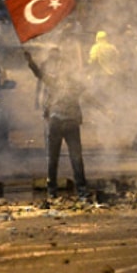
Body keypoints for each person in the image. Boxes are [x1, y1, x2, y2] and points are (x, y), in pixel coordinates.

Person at [24, 47, 90, 198]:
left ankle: (52, 191)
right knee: (75, 158)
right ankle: (81, 191)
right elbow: (89, 97)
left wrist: (31, 62)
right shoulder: (75, 85)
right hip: (69, 123)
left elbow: (39, 75)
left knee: (53, 158)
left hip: (57, 122)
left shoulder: (55, 82)